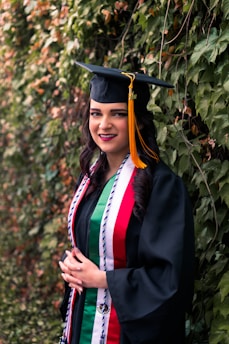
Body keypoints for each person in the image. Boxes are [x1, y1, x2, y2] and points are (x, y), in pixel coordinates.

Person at [59, 61, 195, 344]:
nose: (103, 125)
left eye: (117, 114)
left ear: (137, 120)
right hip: (83, 325)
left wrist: (103, 279)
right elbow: (90, 245)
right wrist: (71, 265)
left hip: (127, 334)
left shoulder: (161, 186)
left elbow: (170, 279)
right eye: (96, 113)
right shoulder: (91, 178)